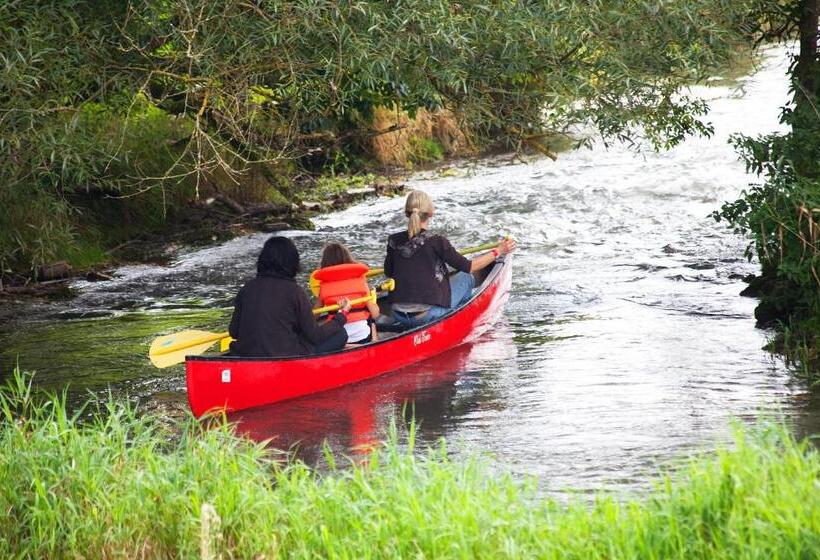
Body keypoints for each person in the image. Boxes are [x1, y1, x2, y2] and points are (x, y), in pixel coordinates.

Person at [384, 190, 515, 328]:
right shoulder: (437, 241)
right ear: (431, 213)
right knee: (466, 277)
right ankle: (459, 323)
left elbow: (389, 272)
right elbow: (469, 267)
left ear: (406, 213)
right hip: (427, 316)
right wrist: (499, 250)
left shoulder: (393, 240)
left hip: (398, 314)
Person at [228, 236, 351, 357]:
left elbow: (234, 332)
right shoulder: (295, 292)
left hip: (245, 356)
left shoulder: (246, 289)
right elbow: (315, 336)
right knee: (341, 334)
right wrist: (341, 316)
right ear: (293, 262)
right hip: (285, 357)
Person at [315, 242, 381, 345]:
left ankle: (346, 347)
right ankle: (374, 343)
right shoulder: (360, 281)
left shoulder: (324, 286)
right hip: (362, 336)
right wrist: (373, 298)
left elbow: (315, 315)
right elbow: (375, 314)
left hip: (337, 338)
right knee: (372, 321)